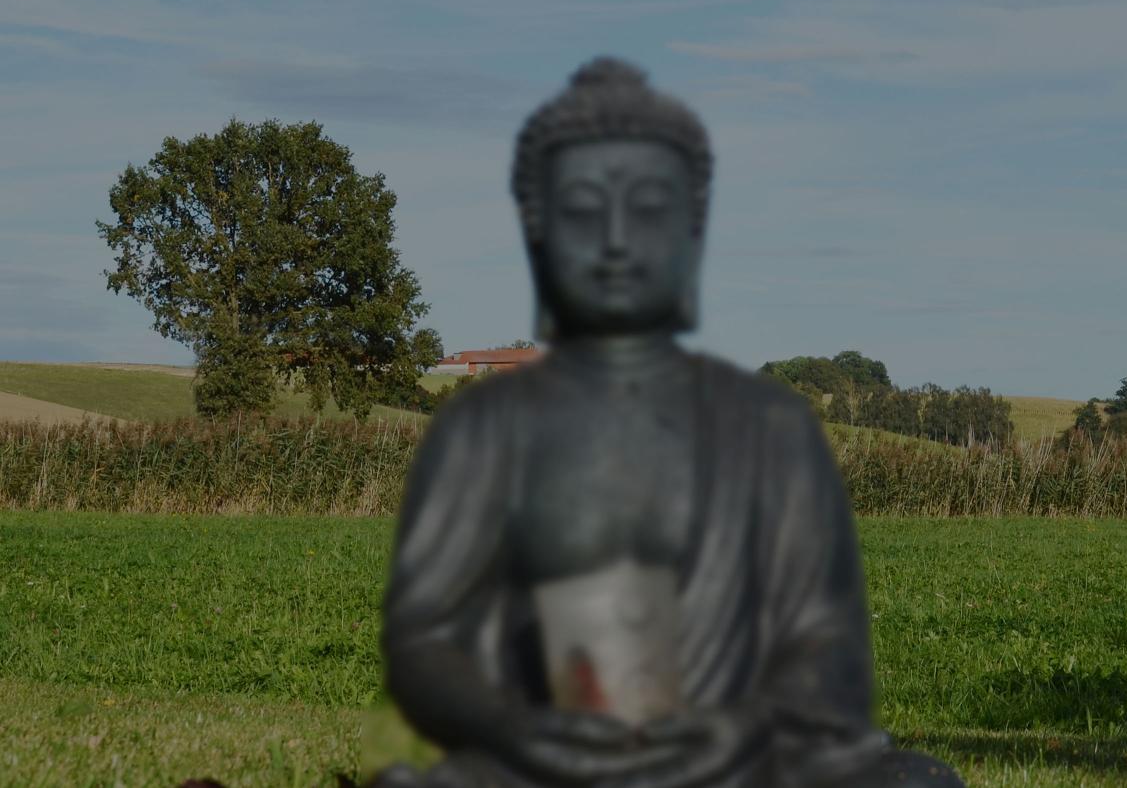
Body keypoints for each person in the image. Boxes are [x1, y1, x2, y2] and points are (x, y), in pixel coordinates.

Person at [369, 58, 963, 788]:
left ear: (694, 228)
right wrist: (513, 726)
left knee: (911, 781)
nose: (617, 241)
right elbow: (424, 643)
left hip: (738, 758)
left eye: (649, 209)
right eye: (584, 210)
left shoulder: (770, 426)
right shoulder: (486, 427)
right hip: (548, 757)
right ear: (537, 230)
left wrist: (740, 728)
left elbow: (826, 648)